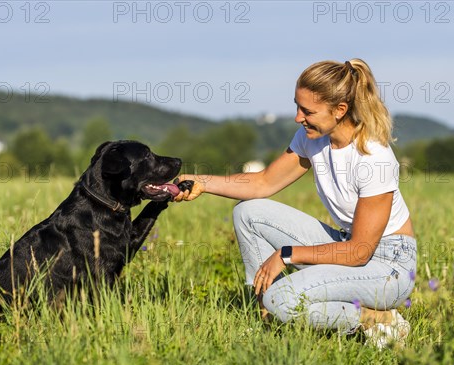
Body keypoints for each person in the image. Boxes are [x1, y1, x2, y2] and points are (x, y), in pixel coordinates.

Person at [174, 59, 416, 349]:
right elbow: (263, 182)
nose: (298, 118)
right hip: (349, 244)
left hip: (388, 267)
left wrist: (286, 255)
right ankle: (268, 315)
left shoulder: (373, 158)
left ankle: (372, 317)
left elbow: (359, 253)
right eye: (297, 106)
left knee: (284, 299)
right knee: (248, 212)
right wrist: (202, 182)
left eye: (308, 111)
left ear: (340, 110)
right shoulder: (311, 137)